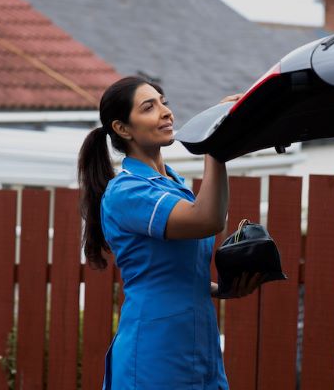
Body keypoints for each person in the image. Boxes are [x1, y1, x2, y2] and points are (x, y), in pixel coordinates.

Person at [77, 76, 262, 390]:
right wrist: (213, 143)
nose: (165, 112)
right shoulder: (127, 192)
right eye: (149, 107)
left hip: (198, 345)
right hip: (155, 352)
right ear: (123, 129)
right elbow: (208, 219)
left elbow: (168, 272)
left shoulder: (173, 184)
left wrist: (219, 289)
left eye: (163, 102)